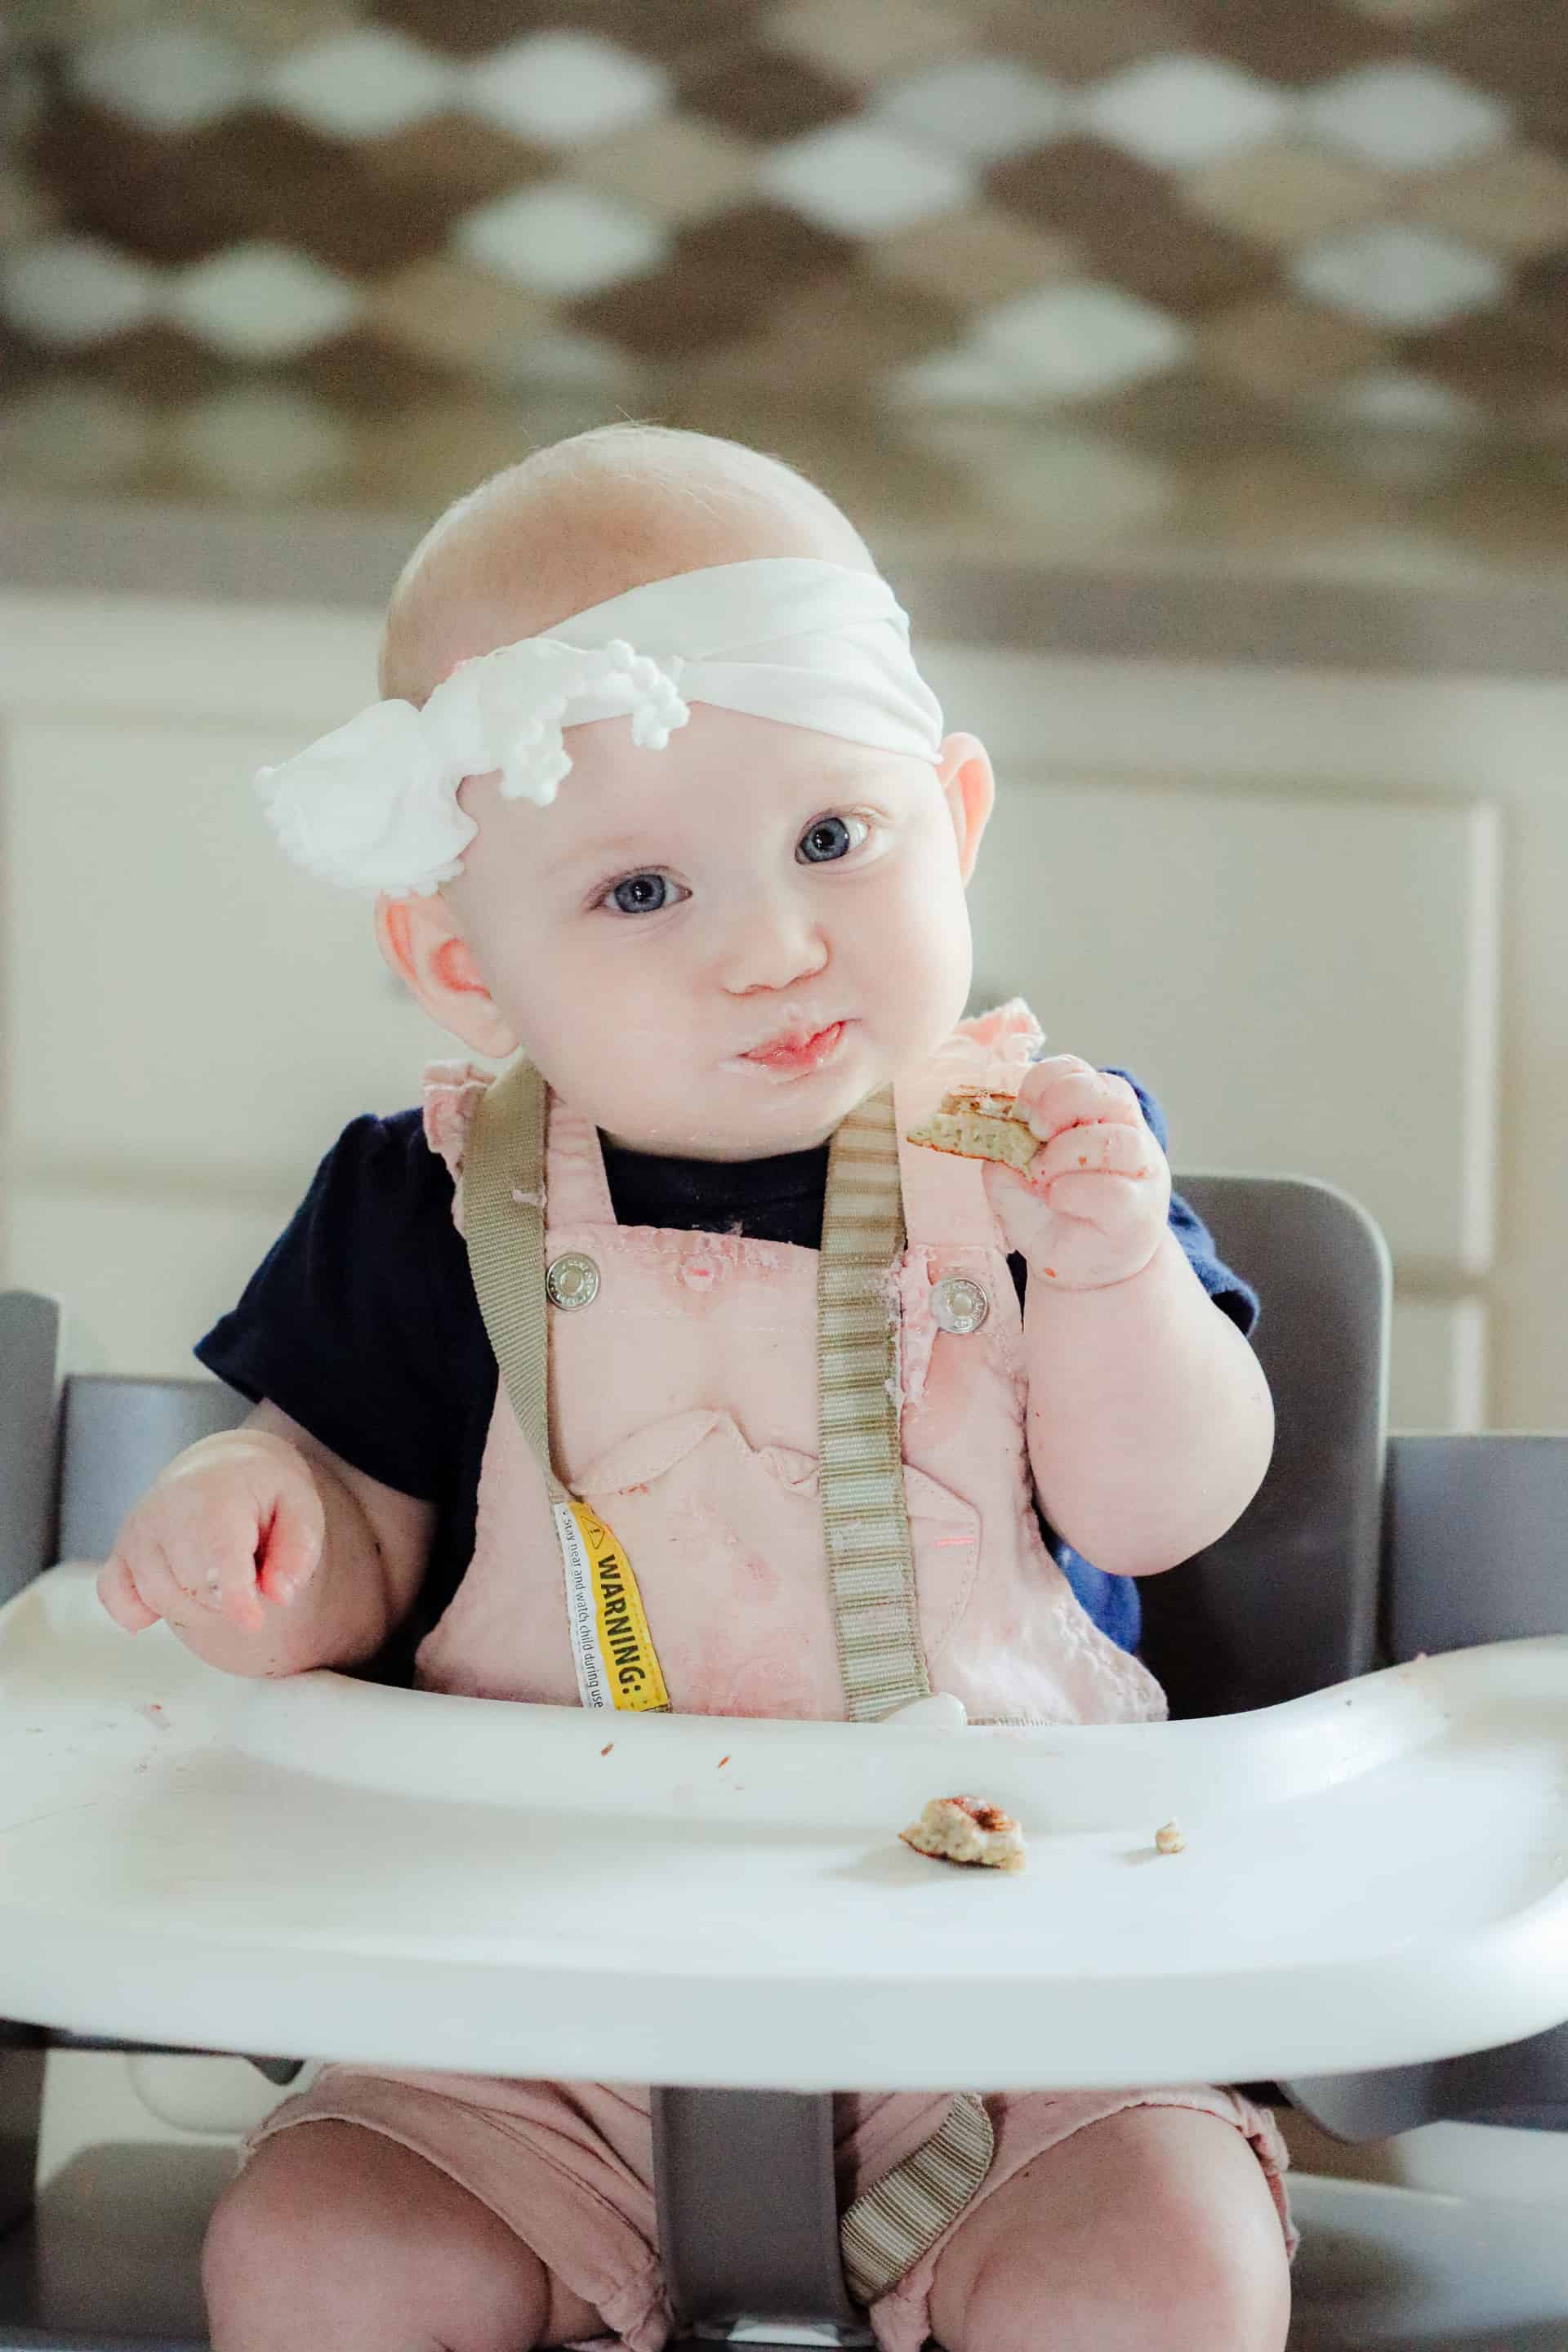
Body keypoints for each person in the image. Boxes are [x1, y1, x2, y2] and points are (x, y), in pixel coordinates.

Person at [98, 425, 1292, 2352]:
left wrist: (1111, 1274)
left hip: (999, 2008)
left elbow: (1166, 1507)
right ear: (458, 960)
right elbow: (363, 1548)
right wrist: (265, 1537)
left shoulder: (1044, 1159)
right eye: (641, 891)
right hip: (524, 2007)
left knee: (1154, 2268)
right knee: (321, 2255)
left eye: (835, 841)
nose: (773, 944)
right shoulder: (431, 1202)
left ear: (956, 815)